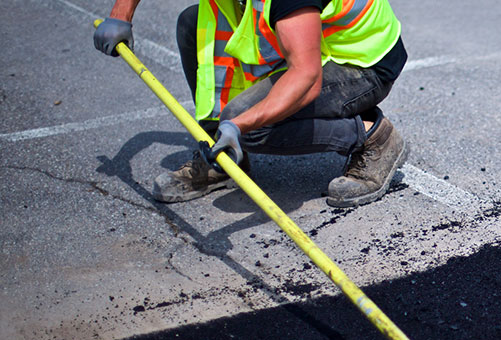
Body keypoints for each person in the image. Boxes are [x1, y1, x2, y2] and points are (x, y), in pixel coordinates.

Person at [93, 0, 409, 208]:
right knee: (193, 23)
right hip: (307, 38)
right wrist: (121, 15)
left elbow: (306, 77)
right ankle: (224, 158)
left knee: (248, 124)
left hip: (361, 59)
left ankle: (372, 135)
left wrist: (240, 124)